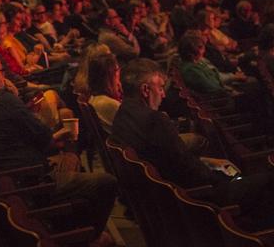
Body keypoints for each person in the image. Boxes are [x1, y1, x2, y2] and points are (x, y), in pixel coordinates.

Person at [0, 53, 117, 245]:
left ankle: (72, 226)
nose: (4, 76)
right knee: (105, 182)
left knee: (69, 150)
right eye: (1, 71)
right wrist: (12, 96)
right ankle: (88, 238)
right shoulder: (2, 99)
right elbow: (45, 139)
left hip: (2, 182)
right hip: (27, 185)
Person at [110, 58, 274, 230]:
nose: (163, 94)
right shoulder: (155, 120)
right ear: (145, 89)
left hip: (165, 198)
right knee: (268, 179)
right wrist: (221, 177)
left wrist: (209, 162)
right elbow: (190, 171)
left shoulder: (122, 115)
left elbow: (174, 159)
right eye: (160, 88)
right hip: (195, 199)